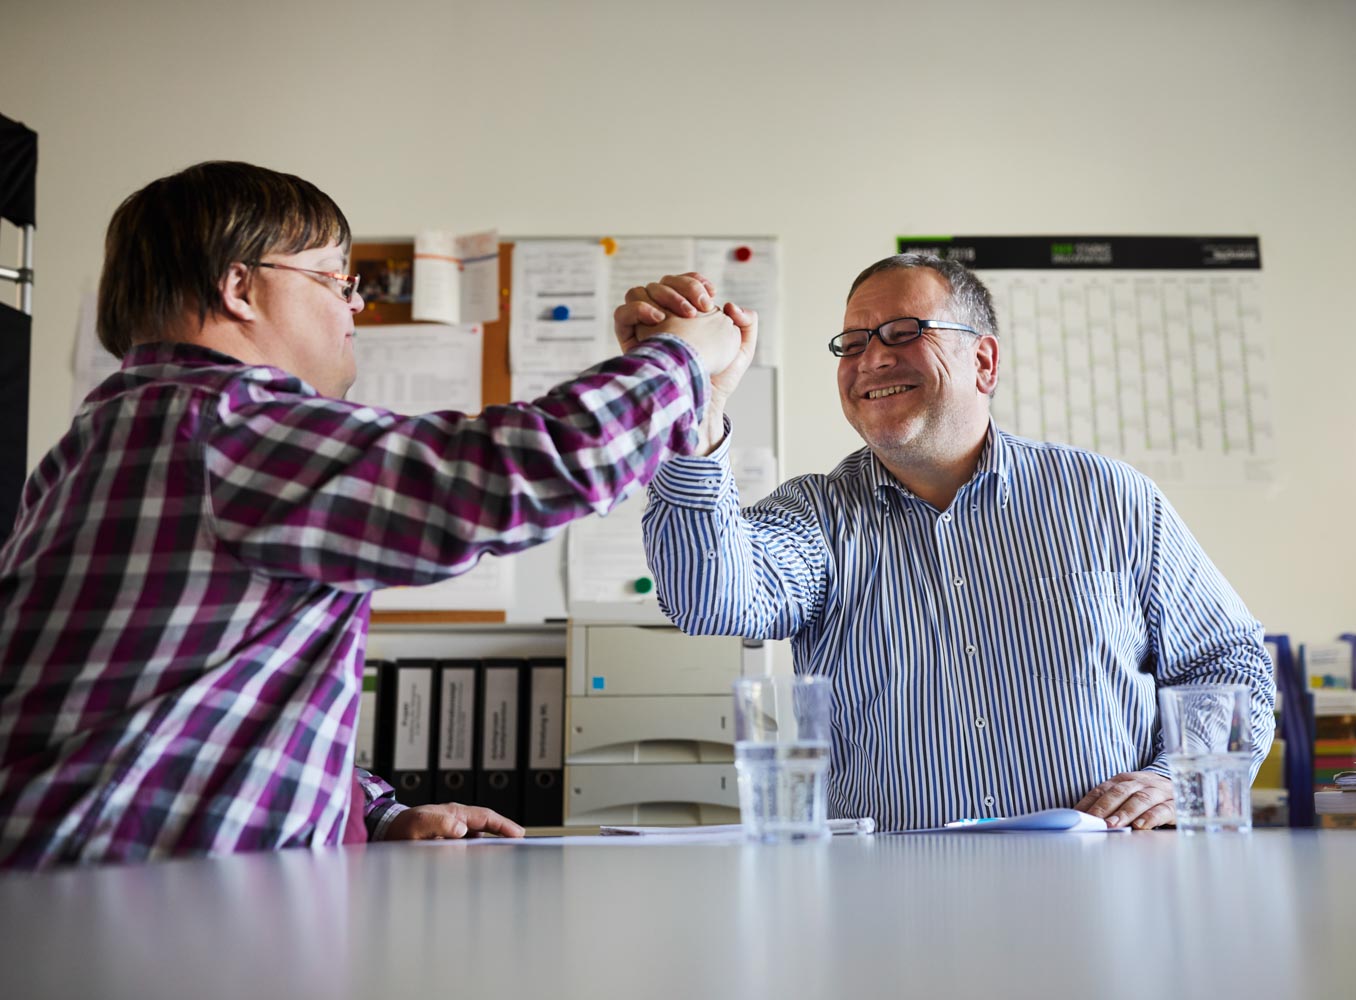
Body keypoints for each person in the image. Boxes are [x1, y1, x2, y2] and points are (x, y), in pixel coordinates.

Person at [0, 161, 740, 868]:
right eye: (333, 279)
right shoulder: (226, 425)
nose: (355, 304)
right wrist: (679, 360)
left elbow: (213, 705)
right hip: (123, 915)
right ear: (238, 288)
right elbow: (510, 472)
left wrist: (370, 813)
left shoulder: (101, 440)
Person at [616, 254, 1275, 832]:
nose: (871, 358)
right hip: (891, 907)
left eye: (904, 333)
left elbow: (1229, 663)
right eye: (851, 344)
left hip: (1106, 889)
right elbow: (708, 600)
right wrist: (690, 400)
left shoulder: (1111, 498)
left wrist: (1170, 780)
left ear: (983, 360)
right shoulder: (815, 514)